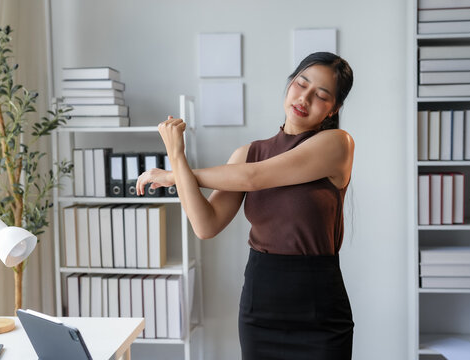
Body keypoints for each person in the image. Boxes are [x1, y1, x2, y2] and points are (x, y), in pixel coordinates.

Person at [136, 51, 355, 360]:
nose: (304, 98)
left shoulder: (337, 144)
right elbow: (205, 225)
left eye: (320, 95)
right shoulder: (247, 153)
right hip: (260, 304)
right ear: (290, 83)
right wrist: (176, 154)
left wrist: (175, 175)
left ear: (334, 109)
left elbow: (254, 178)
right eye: (300, 84)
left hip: (319, 308)